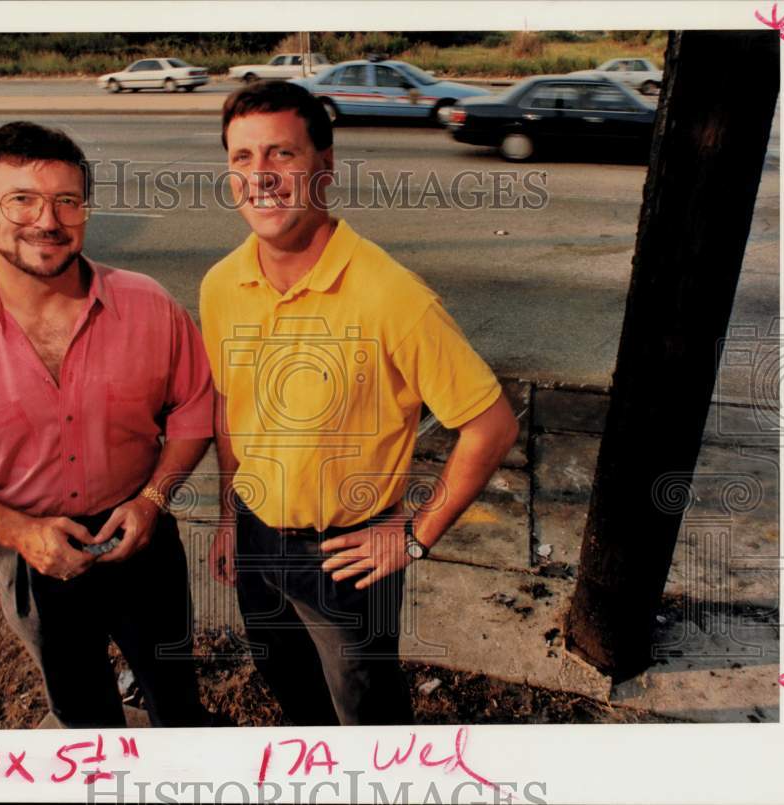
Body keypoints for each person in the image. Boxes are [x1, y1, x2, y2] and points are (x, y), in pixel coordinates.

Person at [199, 82, 519, 726]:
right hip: (257, 536)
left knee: (364, 710)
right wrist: (231, 513)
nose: (260, 176)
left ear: (324, 165)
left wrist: (417, 535)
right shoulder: (220, 284)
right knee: (286, 679)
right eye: (242, 158)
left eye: (280, 155)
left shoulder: (391, 295)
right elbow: (233, 407)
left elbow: (491, 425)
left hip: (346, 556)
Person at [0, 121, 213, 728]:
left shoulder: (152, 306)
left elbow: (194, 407)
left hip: (143, 538)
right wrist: (18, 532)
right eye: (22, 200)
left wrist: (154, 500)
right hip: (31, 552)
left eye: (66, 200)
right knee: (81, 708)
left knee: (176, 693)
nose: (48, 220)